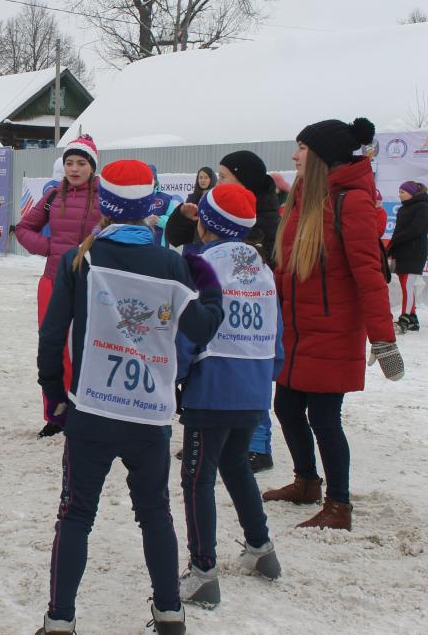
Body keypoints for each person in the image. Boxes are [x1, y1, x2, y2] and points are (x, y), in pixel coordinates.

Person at [34, 159, 224, 635]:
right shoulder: (171, 263)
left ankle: (59, 619)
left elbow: (52, 334)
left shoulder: (82, 257)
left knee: (75, 515)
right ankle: (169, 614)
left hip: (92, 408)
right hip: (148, 411)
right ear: (150, 204)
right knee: (155, 514)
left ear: (105, 203)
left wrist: (54, 393)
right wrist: (209, 285)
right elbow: (202, 328)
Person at [264, 117, 404, 531]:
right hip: (297, 330)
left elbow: (369, 276)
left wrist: (383, 340)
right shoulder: (302, 198)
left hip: (333, 331)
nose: (294, 156)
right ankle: (306, 482)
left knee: (324, 418)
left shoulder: (352, 202)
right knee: (286, 407)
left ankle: (339, 505)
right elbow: (286, 270)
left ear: (322, 155)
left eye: (302, 149)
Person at [175, 184, 284, 609]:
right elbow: (276, 330)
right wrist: (266, 375)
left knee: (197, 478)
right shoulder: (261, 266)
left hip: (213, 384)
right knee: (236, 464)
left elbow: (191, 325)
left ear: (205, 224)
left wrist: (176, 374)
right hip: (253, 383)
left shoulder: (202, 264)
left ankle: (203, 572)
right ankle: (261, 548)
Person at [15, 136, 103, 438]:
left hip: (93, 283)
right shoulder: (53, 195)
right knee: (53, 349)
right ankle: (55, 414)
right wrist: (51, 248)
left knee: (89, 348)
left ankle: (87, 411)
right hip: (53, 280)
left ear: (92, 166)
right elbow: (23, 229)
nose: (74, 169)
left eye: (81, 163)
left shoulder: (105, 196)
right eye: (69, 163)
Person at [388, 181, 428, 332]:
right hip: (402, 252)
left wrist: (397, 240)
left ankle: (404, 318)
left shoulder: (423, 207)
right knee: (406, 286)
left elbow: (416, 229)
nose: (399, 195)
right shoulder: (402, 209)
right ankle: (412, 318)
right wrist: (391, 249)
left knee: (407, 285)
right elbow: (397, 231)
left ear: (412, 193)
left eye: (402, 192)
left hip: (414, 253)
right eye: (399, 192)